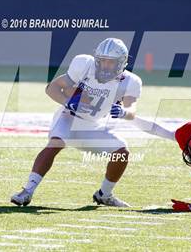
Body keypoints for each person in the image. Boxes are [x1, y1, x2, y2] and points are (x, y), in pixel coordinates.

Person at [11, 38, 142, 207]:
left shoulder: (131, 81)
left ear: (121, 63)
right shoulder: (84, 65)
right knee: (55, 144)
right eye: (102, 61)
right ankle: (27, 191)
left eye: (111, 62)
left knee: (122, 152)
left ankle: (104, 194)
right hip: (69, 116)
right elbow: (52, 88)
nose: (105, 66)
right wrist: (68, 102)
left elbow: (132, 110)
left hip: (92, 125)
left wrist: (124, 112)